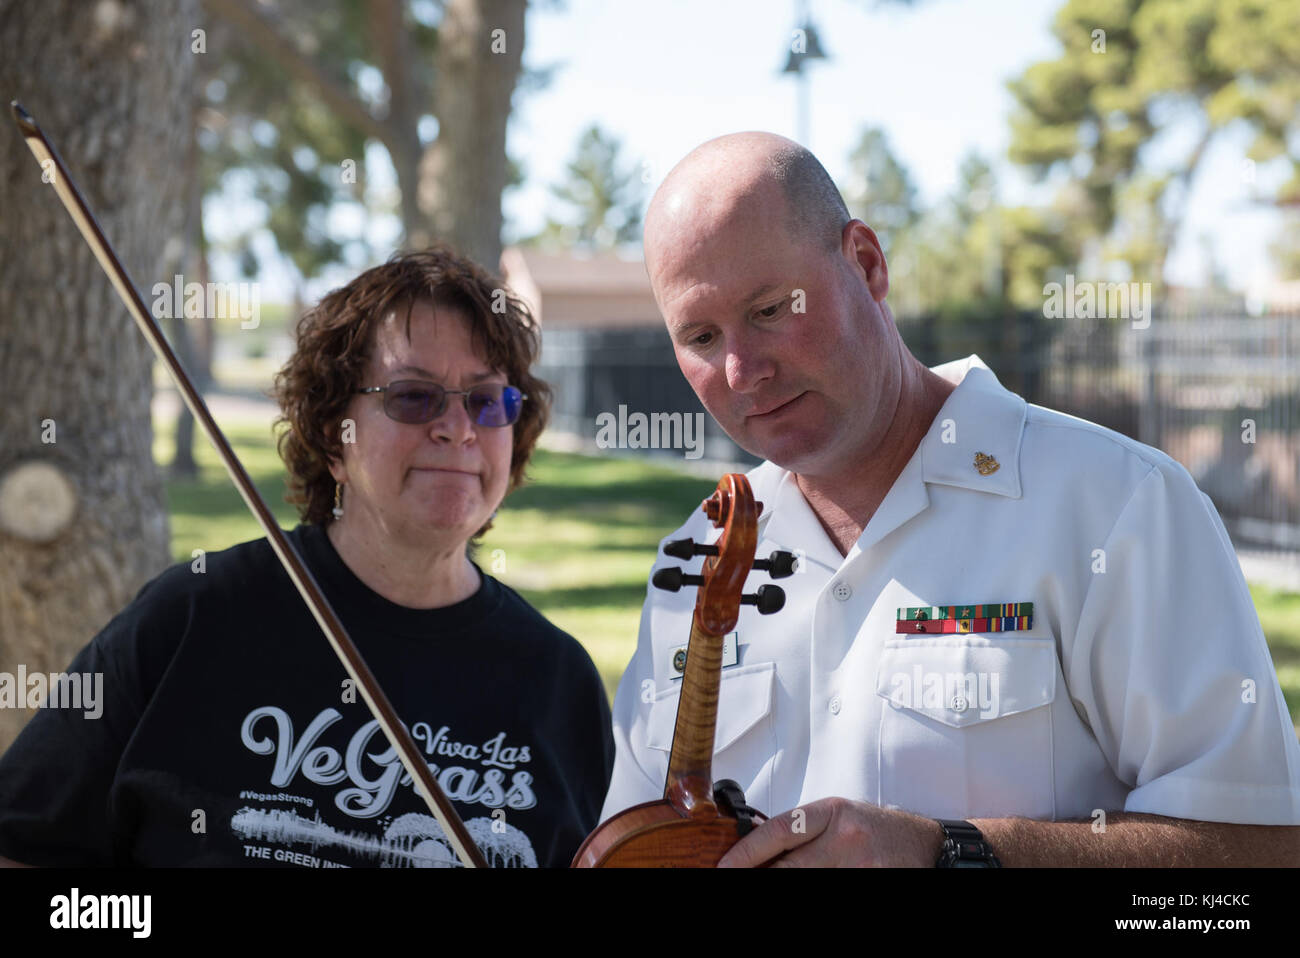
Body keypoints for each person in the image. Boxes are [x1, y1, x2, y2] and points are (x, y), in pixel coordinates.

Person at [600, 131, 1300, 866]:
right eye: (702, 335)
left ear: (867, 264)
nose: (742, 371)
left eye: (772, 308)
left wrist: (953, 856)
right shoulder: (693, 559)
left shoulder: (1119, 504)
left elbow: (1251, 869)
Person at [0, 248, 613, 868]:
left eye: (486, 401)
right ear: (331, 437)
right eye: (413, 397)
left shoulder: (559, 683)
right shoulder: (190, 619)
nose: (457, 428)